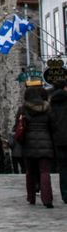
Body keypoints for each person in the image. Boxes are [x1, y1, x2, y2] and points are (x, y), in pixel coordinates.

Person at [19, 84, 54, 206]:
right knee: (45, 172)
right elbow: (52, 126)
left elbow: (18, 126)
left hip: (29, 143)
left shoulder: (24, 108)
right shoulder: (47, 108)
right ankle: (47, 199)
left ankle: (31, 197)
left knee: (30, 172)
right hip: (45, 142)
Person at [47, 60, 67, 204]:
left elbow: (50, 123)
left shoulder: (52, 104)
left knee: (63, 168)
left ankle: (65, 194)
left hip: (59, 140)